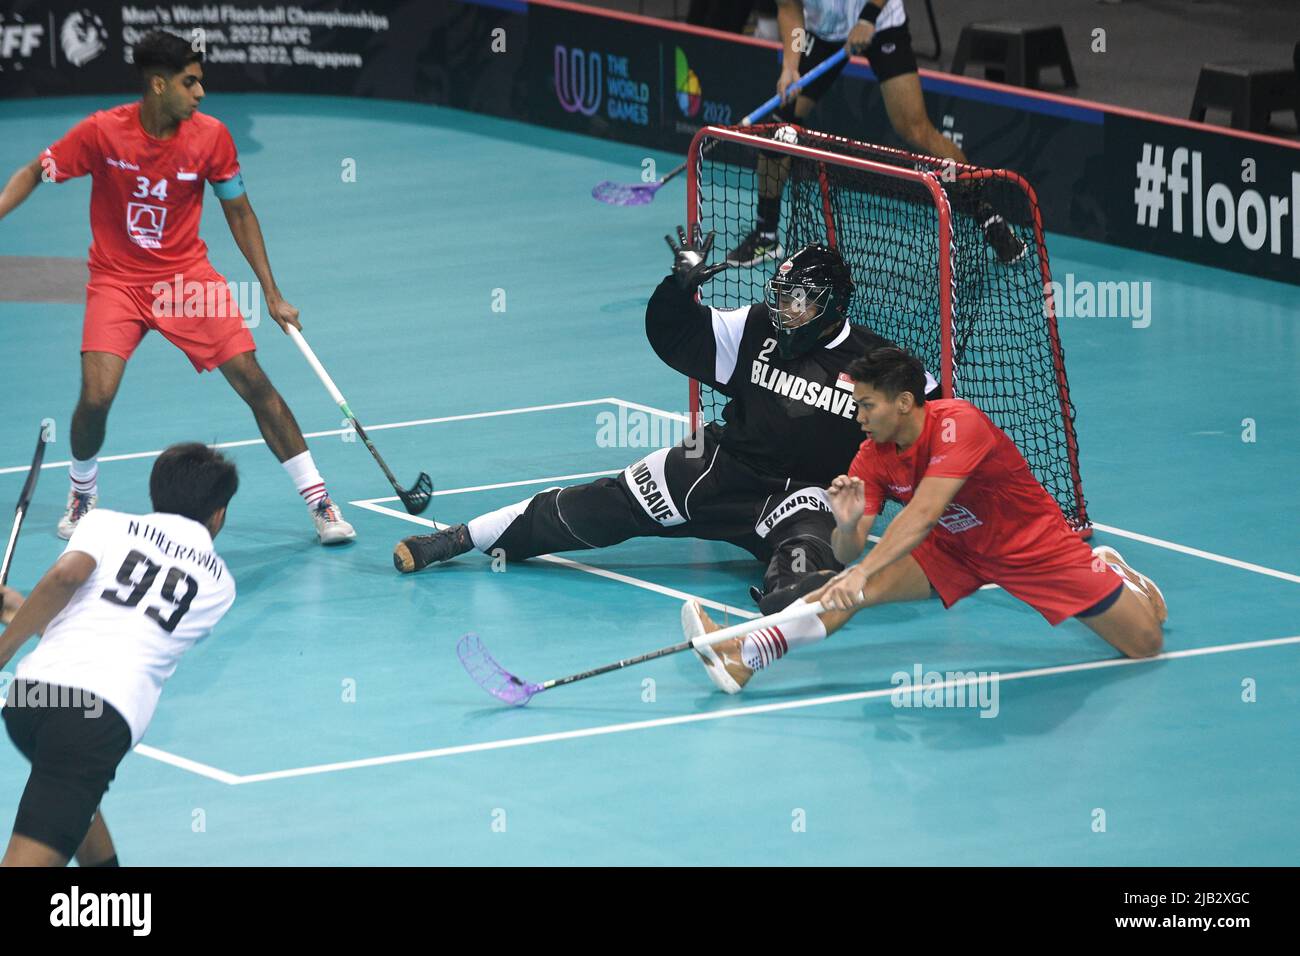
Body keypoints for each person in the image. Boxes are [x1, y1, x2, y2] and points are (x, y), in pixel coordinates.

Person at [393, 227, 936, 615]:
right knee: (603, 505)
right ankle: (458, 538)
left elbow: (934, 423)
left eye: (799, 301)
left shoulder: (876, 365)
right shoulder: (755, 330)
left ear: (832, 305)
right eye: (781, 296)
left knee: (803, 562)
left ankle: (770, 621)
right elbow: (678, 336)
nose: (784, 310)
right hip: (722, 467)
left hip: (806, 495)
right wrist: (678, 289)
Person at [0, 29, 355, 545]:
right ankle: (82, 492)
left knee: (253, 381)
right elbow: (34, 171)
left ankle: (319, 500)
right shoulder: (102, 133)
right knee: (96, 397)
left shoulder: (212, 137)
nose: (201, 92)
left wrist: (271, 293)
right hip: (117, 282)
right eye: (191, 82)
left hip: (185, 279)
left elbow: (240, 212)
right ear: (158, 84)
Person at [686, 346, 1166, 693]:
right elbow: (849, 553)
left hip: (1030, 545)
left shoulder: (959, 425)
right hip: (956, 548)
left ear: (903, 402)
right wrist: (849, 525)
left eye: (867, 405)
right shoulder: (871, 456)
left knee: (1144, 643)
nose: (858, 416)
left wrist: (864, 571)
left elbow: (922, 515)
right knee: (852, 587)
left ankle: (1118, 575)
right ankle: (744, 656)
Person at [0, 443, 238, 866]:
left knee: (72, 798)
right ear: (218, 513)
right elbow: (125, 636)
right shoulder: (219, 585)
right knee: (64, 792)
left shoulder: (105, 522)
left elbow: (68, 580)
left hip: (30, 700)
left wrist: (12, 625)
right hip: (94, 719)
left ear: (155, 492)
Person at [728, 0, 1025, 267]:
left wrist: (868, 18)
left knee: (915, 129)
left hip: (882, 24)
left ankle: (986, 214)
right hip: (823, 35)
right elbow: (790, 9)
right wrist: (790, 66)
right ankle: (766, 235)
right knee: (779, 125)